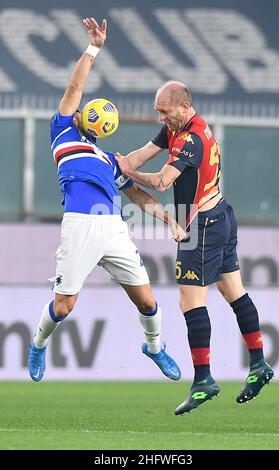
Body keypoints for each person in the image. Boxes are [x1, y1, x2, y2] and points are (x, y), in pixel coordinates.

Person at [28, 18, 186, 384]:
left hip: (112, 227)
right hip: (80, 224)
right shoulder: (62, 131)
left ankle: (155, 346)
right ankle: (38, 343)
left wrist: (171, 222)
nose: (82, 109)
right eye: (86, 108)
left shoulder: (108, 159)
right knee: (64, 305)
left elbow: (138, 195)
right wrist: (93, 48)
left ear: (99, 126)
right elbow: (75, 84)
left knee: (146, 301)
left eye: (89, 111)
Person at [115, 80, 274, 415]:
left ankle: (203, 379)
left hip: (202, 224)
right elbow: (138, 157)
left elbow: (160, 180)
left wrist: (129, 174)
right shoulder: (175, 129)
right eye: (158, 111)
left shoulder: (191, 139)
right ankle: (259, 364)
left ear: (184, 106)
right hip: (220, 214)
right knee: (235, 292)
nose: (160, 117)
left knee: (190, 302)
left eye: (165, 111)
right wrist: (116, 162)